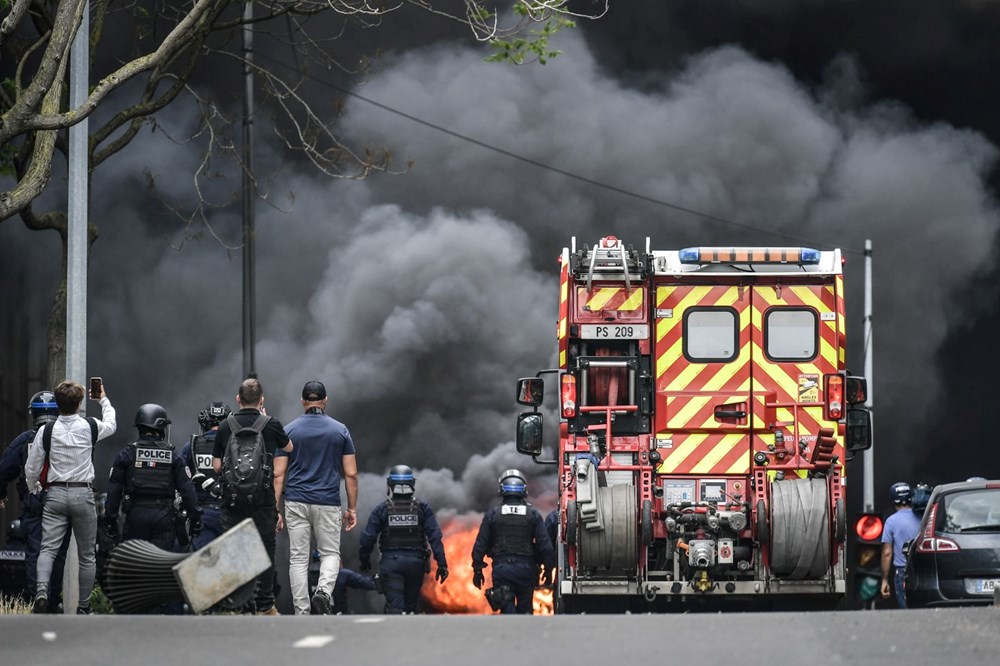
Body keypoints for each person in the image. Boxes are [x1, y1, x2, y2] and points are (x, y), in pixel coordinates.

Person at [24, 379, 117, 614]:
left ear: (57, 404)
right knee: (87, 556)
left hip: (54, 495)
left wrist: (33, 485)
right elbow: (112, 424)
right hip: (83, 494)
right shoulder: (90, 426)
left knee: (47, 549)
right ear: (79, 403)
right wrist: (103, 399)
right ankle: (83, 607)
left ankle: (42, 590)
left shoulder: (46, 431)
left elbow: (32, 466)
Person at [275, 380, 359, 615]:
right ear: (325, 400)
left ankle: (302, 613)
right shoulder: (340, 431)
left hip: (296, 501)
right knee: (330, 554)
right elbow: (351, 474)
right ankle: (323, 591)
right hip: (328, 502)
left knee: (298, 560)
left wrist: (275, 509)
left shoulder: (289, 431)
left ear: (303, 401)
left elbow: (278, 473)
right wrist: (352, 509)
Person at [212, 376, 293, 616]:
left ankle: (233, 605)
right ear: (261, 400)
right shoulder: (271, 423)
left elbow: (217, 466)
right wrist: (266, 421)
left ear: (238, 399)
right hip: (263, 499)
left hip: (232, 499)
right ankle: (265, 605)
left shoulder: (226, 425)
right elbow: (290, 448)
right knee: (266, 549)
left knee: (233, 549)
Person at [0, 391, 71, 611]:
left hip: (34, 506)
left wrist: (1, 493)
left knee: (36, 552)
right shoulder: (69, 438)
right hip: (62, 503)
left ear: (33, 414)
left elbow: (4, 470)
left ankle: (37, 598)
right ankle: (53, 599)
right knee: (58, 553)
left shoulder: (24, 440)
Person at [105, 404, 202, 552]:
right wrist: (195, 517)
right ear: (161, 427)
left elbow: (114, 489)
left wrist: (110, 519)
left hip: (135, 516)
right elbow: (187, 489)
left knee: (132, 562)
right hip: (163, 517)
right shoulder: (173, 455)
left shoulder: (127, 454)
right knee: (159, 564)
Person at [358, 465, 448, 614]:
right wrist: (442, 564)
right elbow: (435, 536)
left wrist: (364, 561)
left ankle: (396, 634)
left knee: (395, 608)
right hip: (416, 564)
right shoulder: (422, 508)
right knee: (411, 607)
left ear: (390, 484)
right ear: (412, 484)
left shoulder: (382, 509)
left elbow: (368, 538)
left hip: (391, 563)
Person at [471, 469, 555, 614]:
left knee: (506, 609)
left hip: (502, 570)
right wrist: (548, 570)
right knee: (525, 611)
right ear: (524, 491)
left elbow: (480, 546)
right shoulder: (533, 514)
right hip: (526, 570)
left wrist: (477, 570)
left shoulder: (493, 514)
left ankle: (509, 632)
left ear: (501, 490)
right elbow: (545, 547)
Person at [179, 402, 232, 550]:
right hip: (229, 515)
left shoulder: (191, 446)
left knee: (203, 563)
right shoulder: (235, 447)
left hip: (202, 514)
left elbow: (180, 481)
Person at [881, 481, 922, 608]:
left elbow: (887, 553)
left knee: (906, 610)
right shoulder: (923, 516)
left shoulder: (891, 522)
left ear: (893, 501)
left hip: (903, 572)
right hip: (923, 569)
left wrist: (884, 580)